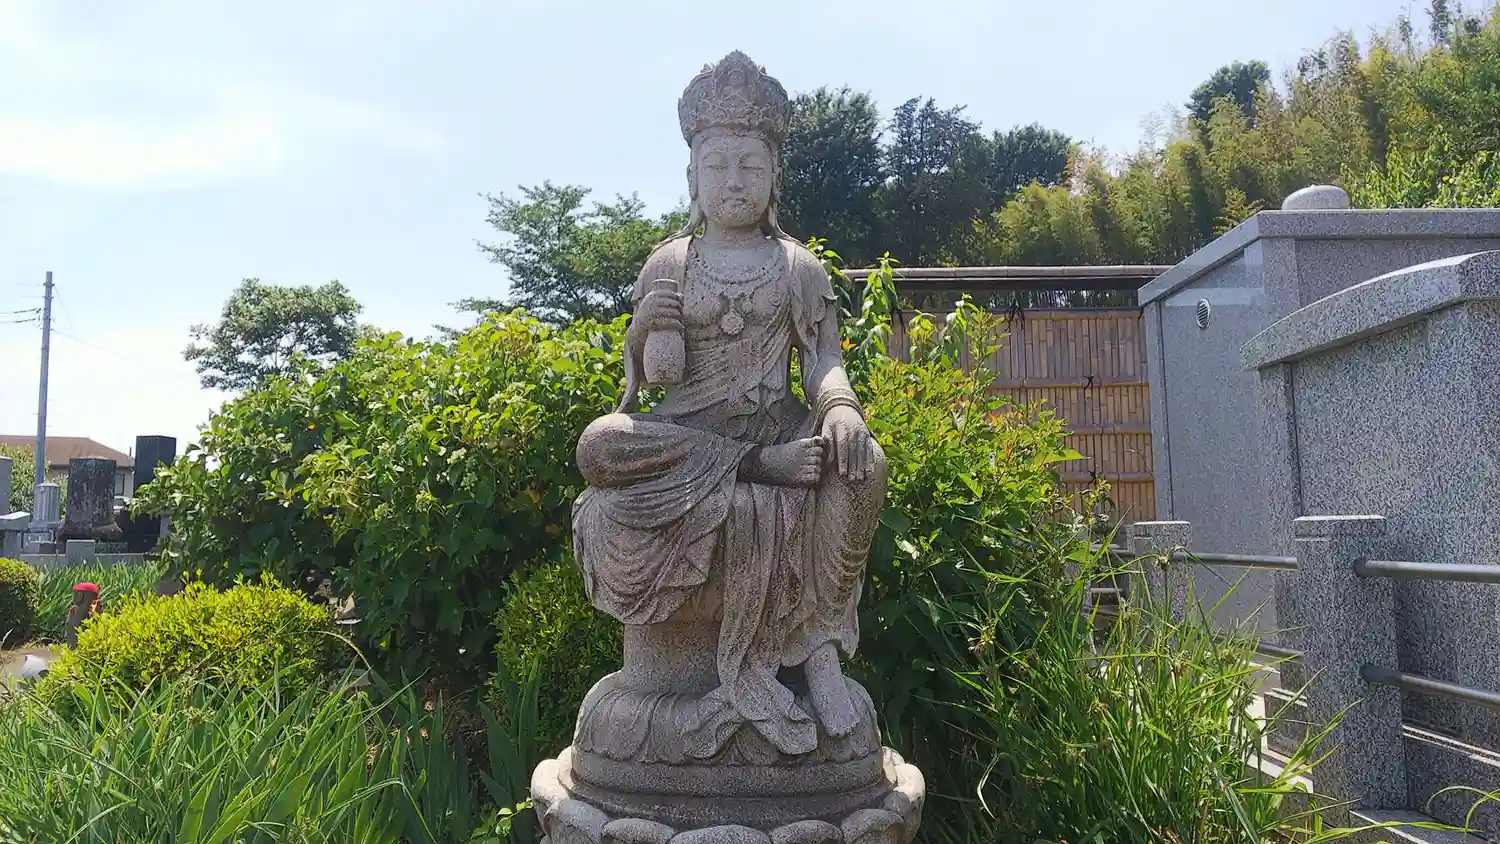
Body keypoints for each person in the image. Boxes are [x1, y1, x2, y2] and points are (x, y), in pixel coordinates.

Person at [572, 51, 887, 760]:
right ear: (692, 178)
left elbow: (823, 361)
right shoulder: (668, 261)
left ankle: (818, 646)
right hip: (688, 438)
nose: (734, 181)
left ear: (775, 176)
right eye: (717, 166)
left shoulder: (797, 266)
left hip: (776, 423)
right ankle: (754, 466)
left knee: (864, 464)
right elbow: (653, 383)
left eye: (749, 165)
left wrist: (840, 409)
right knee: (598, 444)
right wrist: (644, 334)